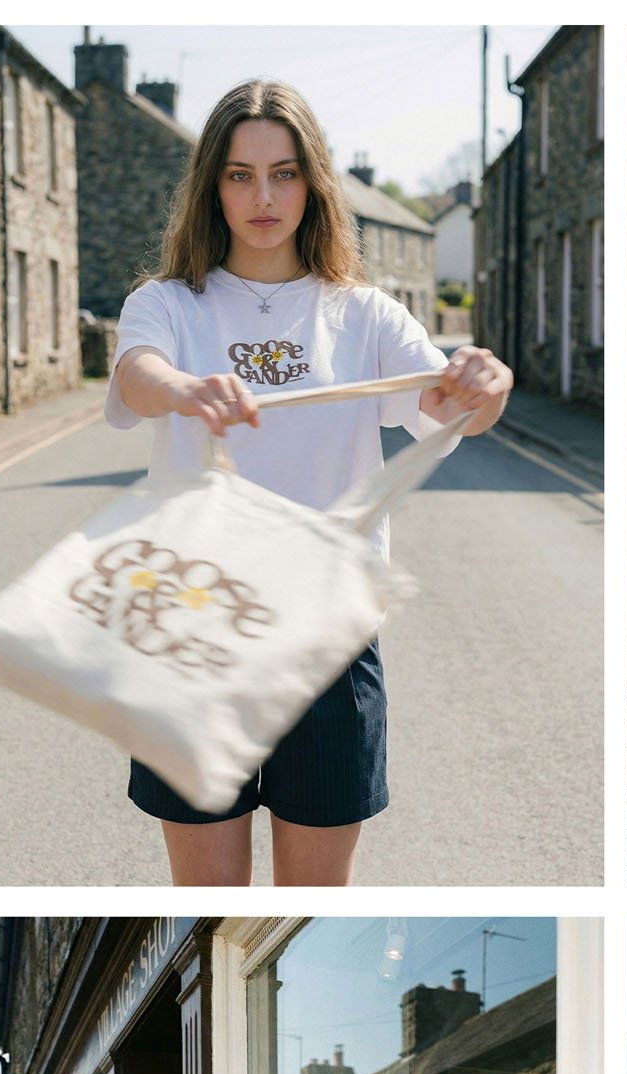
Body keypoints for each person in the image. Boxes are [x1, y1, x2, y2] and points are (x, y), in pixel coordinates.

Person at [106, 79, 512, 886]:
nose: (263, 197)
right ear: (212, 187)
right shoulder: (168, 304)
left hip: (327, 636)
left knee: (314, 906)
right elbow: (137, 375)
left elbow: (451, 408)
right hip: (192, 632)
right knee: (211, 903)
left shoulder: (364, 314)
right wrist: (183, 387)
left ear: (313, 183)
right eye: (240, 175)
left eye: (284, 174)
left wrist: (485, 384)